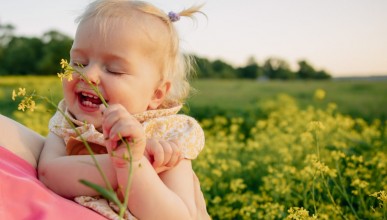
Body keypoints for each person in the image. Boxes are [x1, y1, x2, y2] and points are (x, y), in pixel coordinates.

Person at [37, 0, 209, 219]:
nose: (88, 76)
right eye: (79, 63)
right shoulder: (68, 121)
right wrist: (118, 163)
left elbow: (177, 216)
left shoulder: (168, 137)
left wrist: (135, 165)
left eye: (114, 70)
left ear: (156, 94)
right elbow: (49, 172)